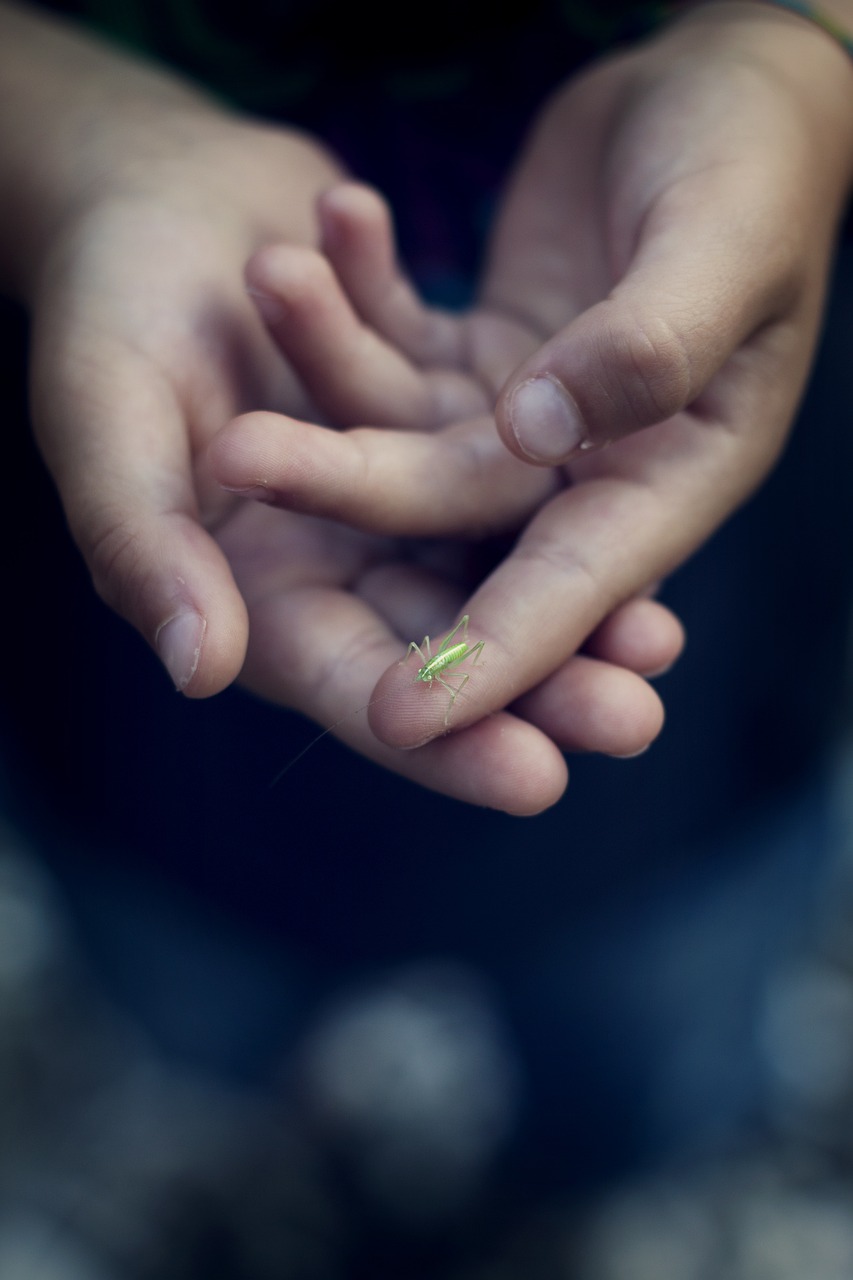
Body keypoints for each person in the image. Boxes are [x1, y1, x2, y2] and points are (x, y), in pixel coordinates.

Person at [2, 0, 853, 1234]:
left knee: (651, 1037)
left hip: (712, 714)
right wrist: (66, 143)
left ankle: (604, 1183)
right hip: (139, 725)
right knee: (192, 1008)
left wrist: (796, 60)